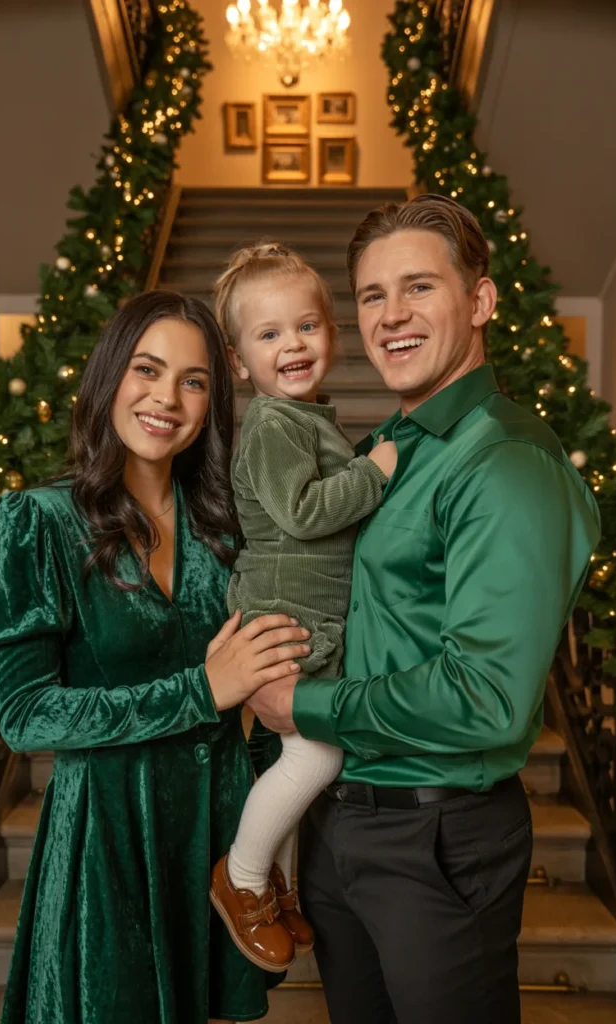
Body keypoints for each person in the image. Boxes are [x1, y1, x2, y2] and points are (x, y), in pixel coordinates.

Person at [247, 195, 602, 1023]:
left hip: (436, 840)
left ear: (478, 302)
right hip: (341, 823)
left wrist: (300, 702)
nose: (391, 316)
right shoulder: (386, 450)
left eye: (418, 288)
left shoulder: (504, 464)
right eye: (371, 295)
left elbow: (485, 696)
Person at [0, 291, 312, 1024]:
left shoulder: (228, 527)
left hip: (218, 836)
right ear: (108, 376)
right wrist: (202, 689)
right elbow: (25, 717)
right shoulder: (37, 523)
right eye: (146, 369)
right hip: (107, 841)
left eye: (194, 381)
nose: (167, 398)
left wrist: (271, 845)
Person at [208, 244, 397, 973]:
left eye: (307, 327)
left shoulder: (306, 418)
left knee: (301, 753)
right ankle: (243, 876)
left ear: (332, 335)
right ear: (237, 361)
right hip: (285, 614)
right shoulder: (272, 424)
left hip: (308, 611)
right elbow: (303, 510)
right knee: (316, 751)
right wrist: (375, 473)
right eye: (269, 334)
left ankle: (271, 878)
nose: (293, 345)